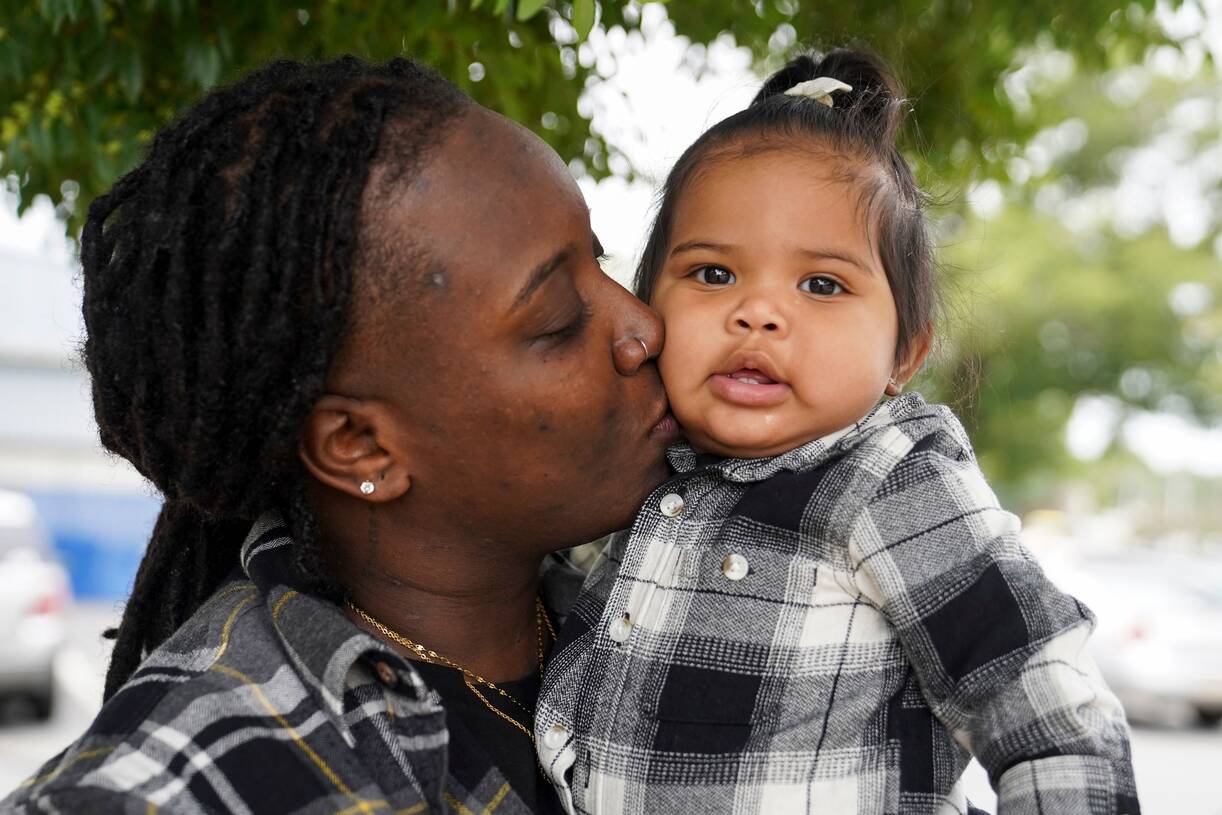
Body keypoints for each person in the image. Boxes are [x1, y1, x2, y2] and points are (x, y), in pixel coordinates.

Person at [2, 56, 678, 815]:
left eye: (599, 258)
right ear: (362, 445)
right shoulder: (169, 792)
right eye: (557, 320)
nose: (644, 327)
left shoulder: (676, 579)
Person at [536, 49, 1140, 815]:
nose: (757, 312)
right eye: (713, 274)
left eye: (822, 284)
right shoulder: (644, 469)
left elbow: (1045, 701)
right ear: (649, 302)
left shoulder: (888, 475)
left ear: (905, 352)